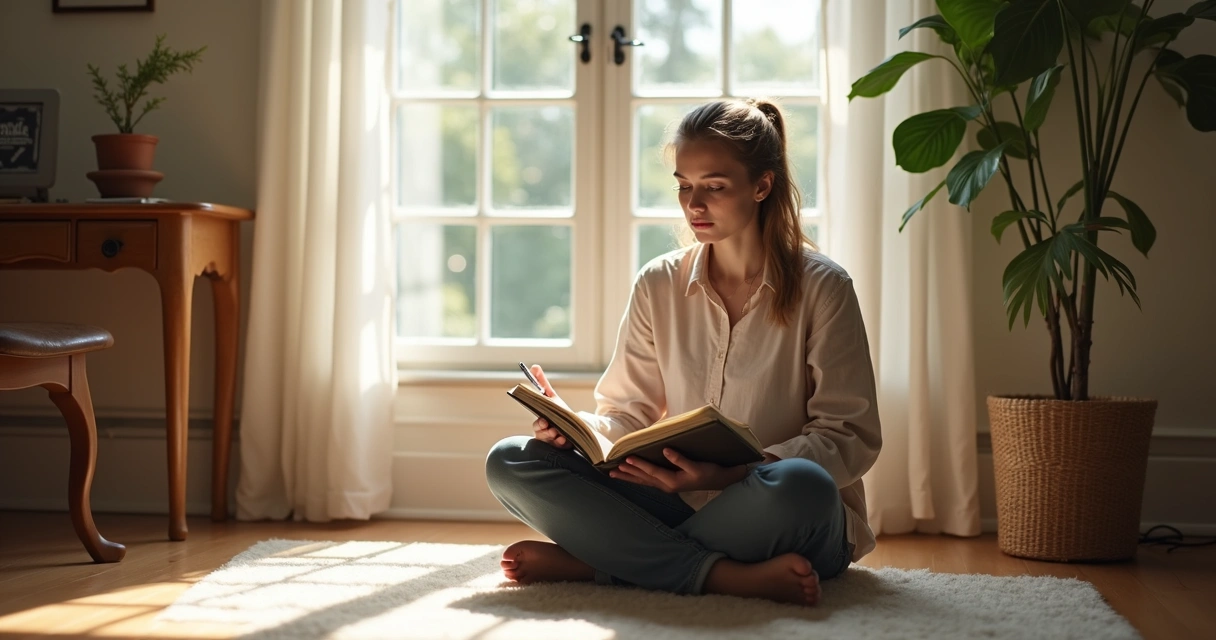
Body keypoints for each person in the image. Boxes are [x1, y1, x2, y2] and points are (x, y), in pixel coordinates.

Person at [484, 98, 881, 607]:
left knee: (801, 482)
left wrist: (737, 473)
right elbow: (627, 415)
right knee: (512, 460)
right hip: (676, 504)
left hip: (782, 512)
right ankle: (722, 575)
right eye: (684, 186)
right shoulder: (658, 283)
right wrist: (575, 429)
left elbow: (850, 436)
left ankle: (603, 564)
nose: (694, 204)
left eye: (715, 187)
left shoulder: (824, 287)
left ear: (762, 185)